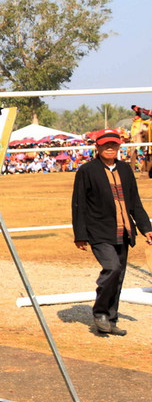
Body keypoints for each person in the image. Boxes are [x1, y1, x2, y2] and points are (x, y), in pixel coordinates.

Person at [72, 128, 152, 336]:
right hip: (99, 231)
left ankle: (110, 319)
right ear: (97, 147)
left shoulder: (125, 169)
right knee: (112, 268)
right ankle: (100, 312)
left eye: (114, 145)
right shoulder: (87, 171)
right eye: (105, 145)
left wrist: (146, 229)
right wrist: (80, 234)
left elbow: (134, 202)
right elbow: (79, 204)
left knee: (119, 276)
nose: (110, 148)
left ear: (119, 146)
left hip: (124, 231)